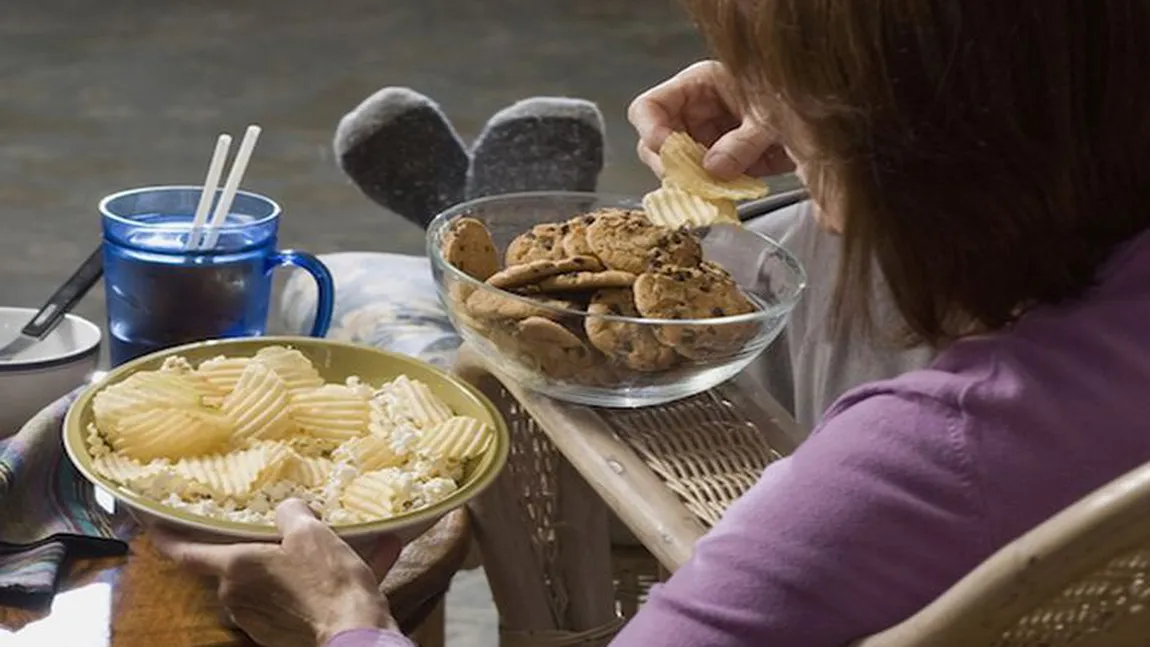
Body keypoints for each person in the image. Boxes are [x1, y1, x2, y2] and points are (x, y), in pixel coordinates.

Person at [154, 1, 1150, 645]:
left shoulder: (899, 474)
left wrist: (343, 616)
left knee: (385, 304)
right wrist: (807, 103)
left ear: (899, 142)